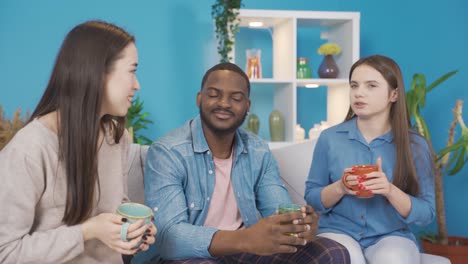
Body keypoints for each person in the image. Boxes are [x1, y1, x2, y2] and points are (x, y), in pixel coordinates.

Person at [140, 62, 350, 263]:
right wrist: (246, 239)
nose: (224, 103)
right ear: (199, 99)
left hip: (246, 252)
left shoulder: (257, 150)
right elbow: (169, 238)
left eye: (236, 98)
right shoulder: (167, 152)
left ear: (247, 106)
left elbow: (277, 209)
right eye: (214, 95)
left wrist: (299, 225)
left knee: (332, 252)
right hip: (193, 256)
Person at [0, 21, 156, 263]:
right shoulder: (29, 149)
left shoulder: (116, 137)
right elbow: (6, 253)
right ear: (98, 72)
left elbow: (114, 206)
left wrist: (132, 231)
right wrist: (86, 231)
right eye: (132, 70)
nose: (137, 85)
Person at [305, 55, 435, 264]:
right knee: (346, 258)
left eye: (371, 86)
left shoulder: (416, 146)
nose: (359, 93)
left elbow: (427, 214)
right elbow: (311, 197)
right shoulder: (329, 139)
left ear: (394, 94)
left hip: (392, 235)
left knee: (392, 259)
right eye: (354, 85)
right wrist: (341, 187)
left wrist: (390, 191)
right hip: (338, 232)